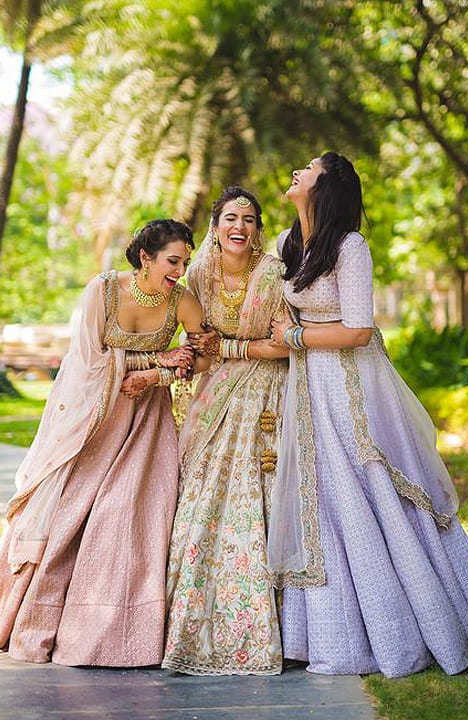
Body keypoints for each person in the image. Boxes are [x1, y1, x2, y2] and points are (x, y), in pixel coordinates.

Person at [269, 153, 468, 678]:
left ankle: (409, 627)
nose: (297, 171)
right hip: (308, 384)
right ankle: (327, 634)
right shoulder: (290, 245)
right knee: (321, 498)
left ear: (326, 186)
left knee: (368, 487)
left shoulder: (349, 247)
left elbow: (358, 329)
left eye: (308, 168)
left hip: (351, 383)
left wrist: (293, 338)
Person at [0, 219, 206, 666]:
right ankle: (38, 623)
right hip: (93, 421)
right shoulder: (105, 289)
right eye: (173, 261)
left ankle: (118, 634)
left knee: (128, 513)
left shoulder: (181, 300)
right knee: (69, 513)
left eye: (186, 263)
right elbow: (89, 358)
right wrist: (154, 355)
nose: (180, 271)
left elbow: (201, 351)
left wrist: (159, 373)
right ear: (145, 257)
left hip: (147, 424)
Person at [163, 186, 289, 676]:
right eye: (231, 218)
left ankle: (269, 624)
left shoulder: (274, 273)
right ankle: (192, 620)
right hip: (212, 395)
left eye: (250, 220)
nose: (240, 226)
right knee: (202, 493)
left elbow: (284, 346)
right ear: (215, 228)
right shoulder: (197, 274)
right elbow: (193, 343)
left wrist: (230, 349)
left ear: (258, 230)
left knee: (257, 490)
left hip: (265, 395)